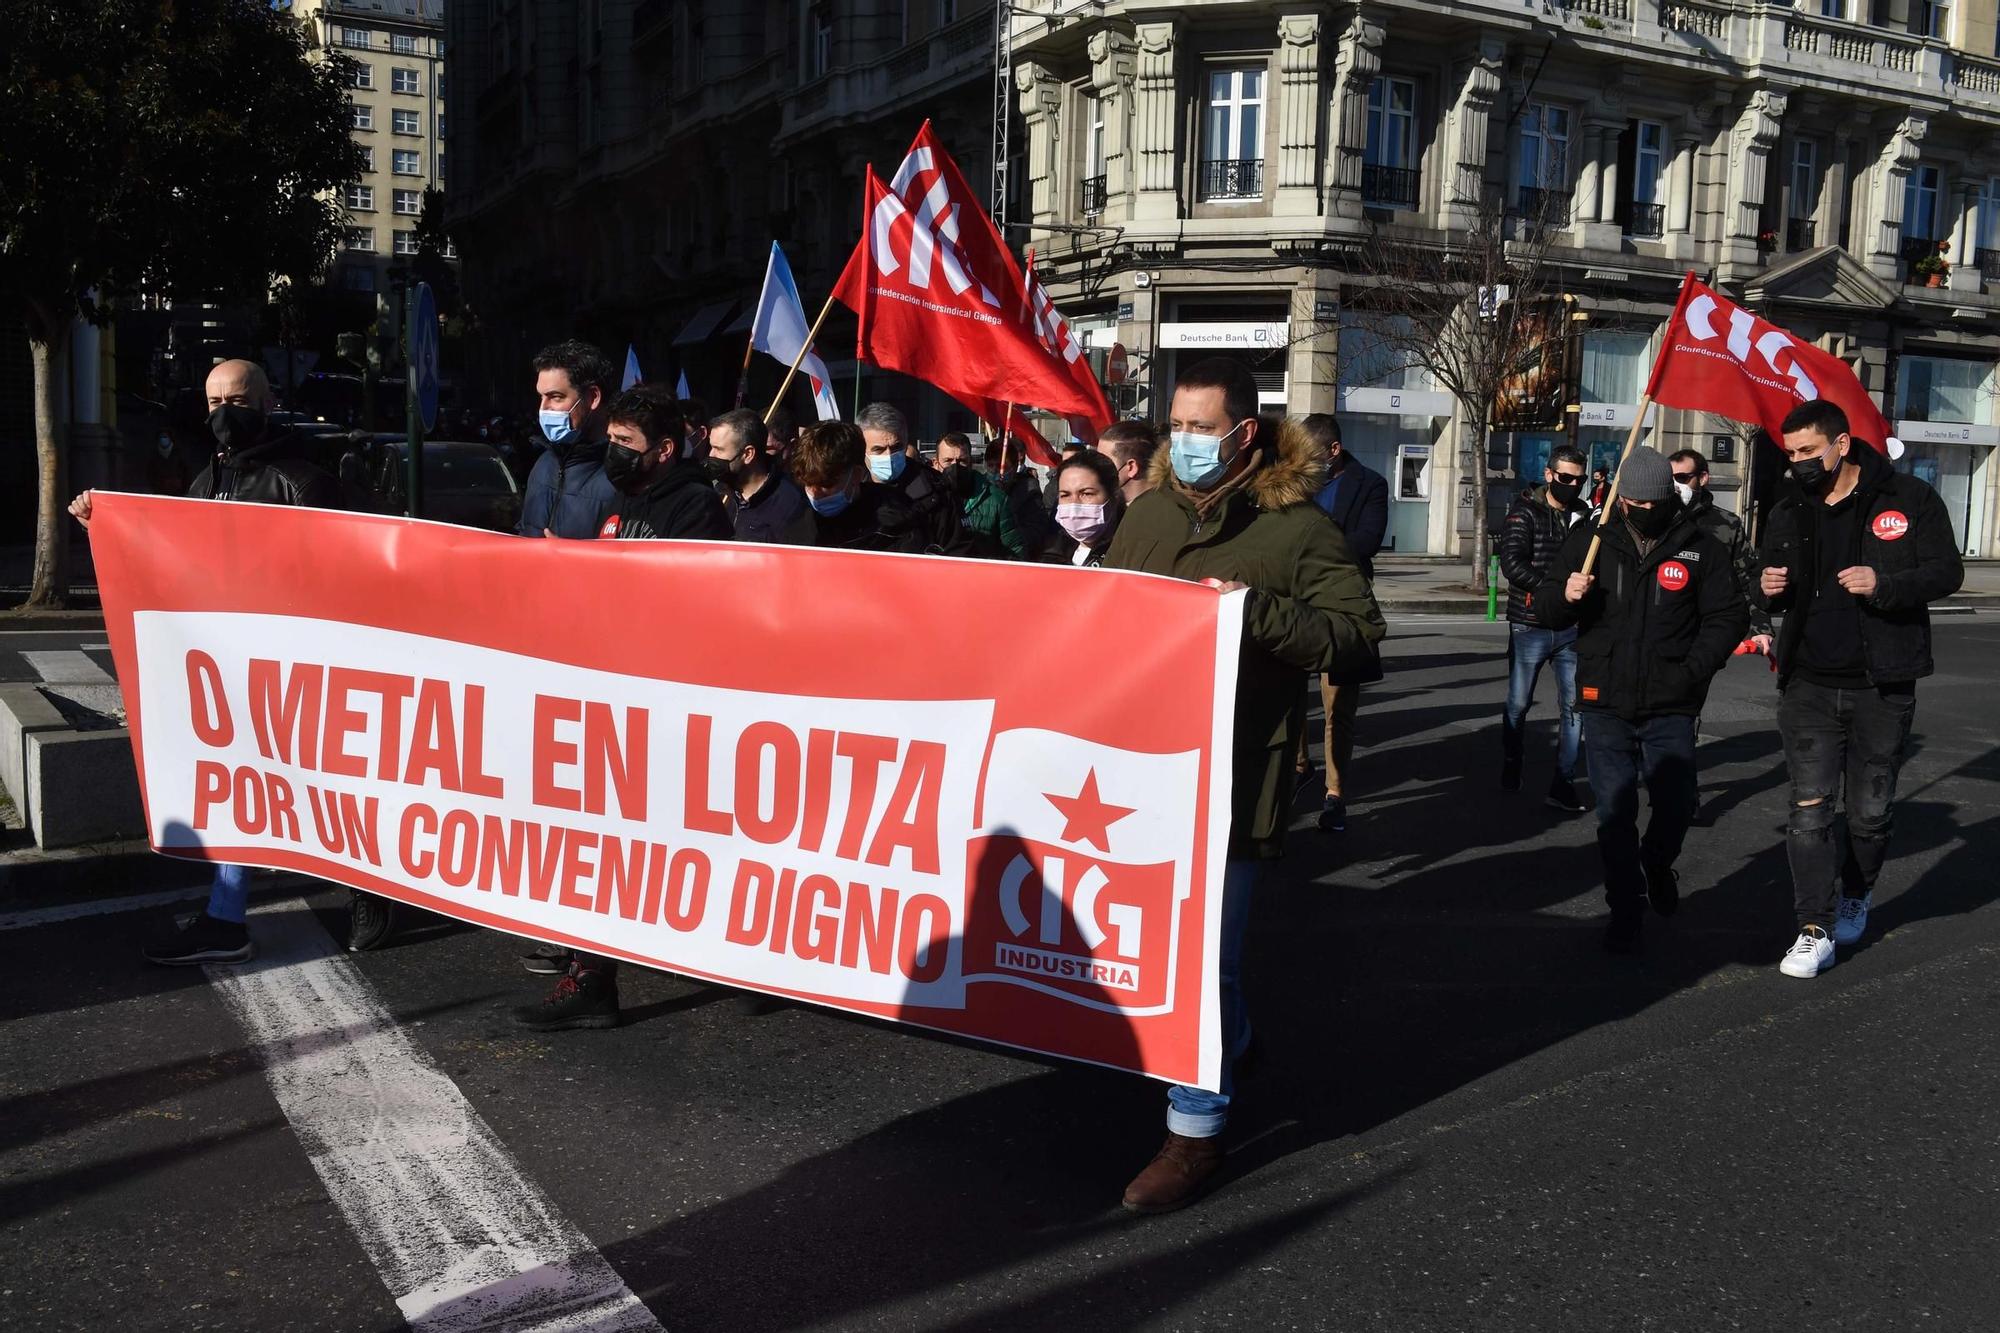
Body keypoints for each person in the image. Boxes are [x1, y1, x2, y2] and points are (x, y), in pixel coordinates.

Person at [1106, 358, 1385, 1213]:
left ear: (1245, 433)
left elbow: (1358, 638)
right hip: (1137, 766)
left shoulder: (1298, 528)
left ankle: (1195, 1130)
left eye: (1201, 428)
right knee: (1167, 952)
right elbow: (1108, 611)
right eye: (1176, 428)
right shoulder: (1148, 511)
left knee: (1205, 959)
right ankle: (1237, 1038)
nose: (1185, 442)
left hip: (1236, 774)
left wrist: (1255, 611)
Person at [70, 359, 376, 963]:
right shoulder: (204, 481)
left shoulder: (304, 481)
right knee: (242, 785)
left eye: (235, 399)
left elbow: (340, 578)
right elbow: (174, 567)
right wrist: (103, 531)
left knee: (329, 784)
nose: (223, 413)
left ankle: (369, 891)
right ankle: (226, 915)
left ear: (266, 400)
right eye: (212, 403)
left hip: (300, 667)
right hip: (235, 670)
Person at [514, 389, 733, 1031]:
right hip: (617, 696)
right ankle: (592, 977)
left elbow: (693, 598)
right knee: (599, 843)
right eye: (610, 439)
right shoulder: (626, 502)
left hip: (667, 704)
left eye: (626, 443)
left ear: (663, 449)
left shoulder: (693, 507)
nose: (612, 452)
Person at [1758, 400, 1963, 979]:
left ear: (1841, 445)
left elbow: (1947, 572)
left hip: (1883, 682)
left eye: (1807, 451)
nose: (1797, 462)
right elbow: (1768, 586)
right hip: (1808, 686)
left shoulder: (1908, 499)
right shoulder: (1788, 509)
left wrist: (1886, 584)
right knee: (1808, 808)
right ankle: (1813, 926)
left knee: (1869, 813)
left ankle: (1857, 892)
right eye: (1790, 453)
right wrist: (1767, 586)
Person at [1538, 447, 1747, 954]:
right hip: (1604, 698)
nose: (1643, 510)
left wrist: (1693, 671)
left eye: (1653, 502)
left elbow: (1727, 618)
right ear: (1620, 499)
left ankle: (1656, 862)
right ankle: (1624, 905)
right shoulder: (1589, 539)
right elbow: (1545, 609)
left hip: (1671, 702)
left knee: (1676, 804)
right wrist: (1565, 595)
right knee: (1614, 812)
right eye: (1634, 501)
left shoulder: (1700, 545)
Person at [1296, 412, 1389, 833]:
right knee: (1290, 696)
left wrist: (1310, 551)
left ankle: (1335, 793)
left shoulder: (1369, 483)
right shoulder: (1293, 480)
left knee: (1338, 708)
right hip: (1296, 601)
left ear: (1333, 450)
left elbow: (1366, 542)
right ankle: (1301, 766)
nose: (1303, 462)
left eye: (1311, 455)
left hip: (1343, 605)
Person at [1496, 443, 1592, 813]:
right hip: (1529, 623)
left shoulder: (1585, 517)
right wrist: (1551, 591)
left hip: (1572, 626)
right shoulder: (1525, 513)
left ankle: (1563, 781)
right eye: (1565, 478)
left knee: (1574, 706)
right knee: (1519, 703)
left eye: (1579, 480)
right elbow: (1512, 563)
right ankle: (1511, 759)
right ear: (1550, 475)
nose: (1572, 485)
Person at [1668, 449, 1772, 654]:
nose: (1676, 486)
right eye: (1669, 478)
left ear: (1703, 478)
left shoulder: (1727, 525)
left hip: (1708, 630)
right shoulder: (1658, 520)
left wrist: (1760, 626)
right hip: (1665, 627)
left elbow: (1747, 577)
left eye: (1682, 478)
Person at [520, 340, 619, 539]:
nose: (543, 408)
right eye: (541, 397)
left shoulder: (621, 474)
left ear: (592, 397)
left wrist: (569, 558)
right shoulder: (543, 465)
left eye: (555, 397)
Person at [853, 402, 970, 554]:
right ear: (863, 450)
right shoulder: (849, 488)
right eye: (878, 449)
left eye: (896, 447)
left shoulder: (937, 491)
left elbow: (959, 551)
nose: (888, 456)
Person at [707, 408, 808, 544]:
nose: (711, 455)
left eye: (719, 449)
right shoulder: (716, 493)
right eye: (711, 447)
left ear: (748, 454)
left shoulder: (792, 505)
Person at [939, 431, 1027, 559]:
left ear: (971, 462)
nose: (955, 467)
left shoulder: (997, 499)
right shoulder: (924, 499)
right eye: (948, 461)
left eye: (962, 460)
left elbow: (1015, 552)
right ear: (936, 463)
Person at [1040, 447, 1124, 567]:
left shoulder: (1131, 553)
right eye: (1065, 495)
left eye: (1086, 494)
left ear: (1113, 496)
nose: (1074, 504)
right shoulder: (1050, 555)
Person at [1098, 420, 1159, 505]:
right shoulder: (1111, 508)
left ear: (1131, 468)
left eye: (1103, 462)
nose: (1096, 467)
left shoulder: (1159, 512)